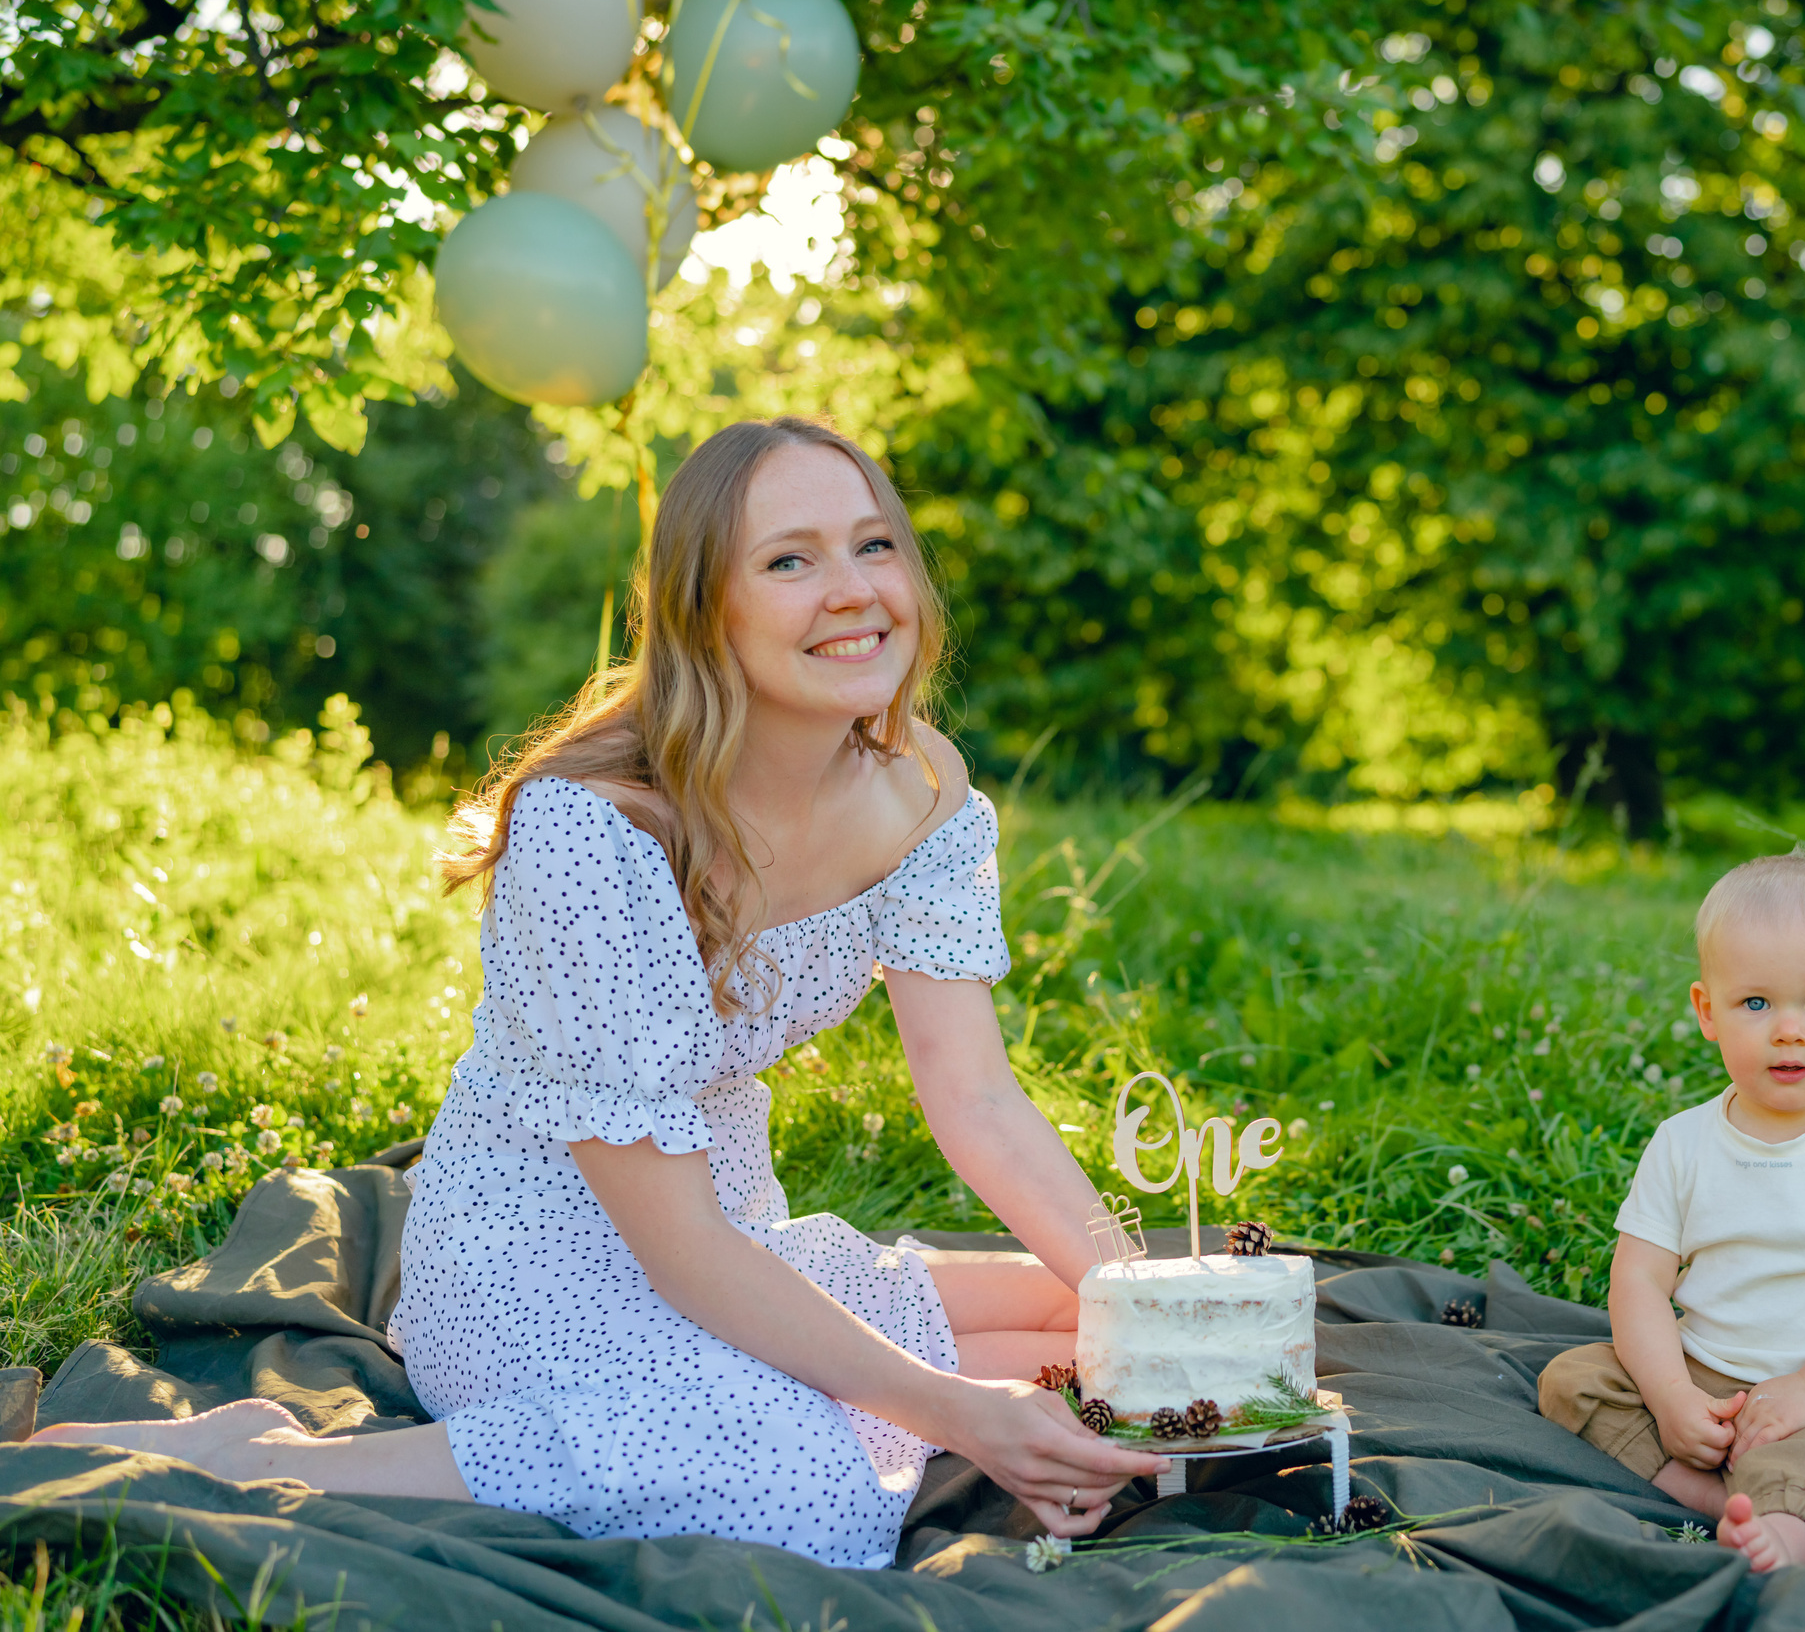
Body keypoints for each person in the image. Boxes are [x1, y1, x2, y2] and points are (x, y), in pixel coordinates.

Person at [38, 417, 1163, 1567]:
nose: (852, 590)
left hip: (729, 1230)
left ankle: (928, 1387)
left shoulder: (922, 789)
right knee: (799, 1482)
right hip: (529, 1266)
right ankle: (275, 1458)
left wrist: (1153, 1305)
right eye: (788, 560)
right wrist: (955, 1412)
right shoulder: (591, 830)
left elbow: (975, 1100)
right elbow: (675, 1246)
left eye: (873, 545)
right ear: (701, 610)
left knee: (1097, 1315)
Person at [1536, 849, 1805, 1572]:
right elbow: (1639, 1281)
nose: (1789, 1029)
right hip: (1706, 1373)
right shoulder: (1682, 1144)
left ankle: (1785, 1535)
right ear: (1708, 1010)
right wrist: (1672, 1396)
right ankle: (1716, 1496)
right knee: (1572, 1382)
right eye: (1757, 1003)